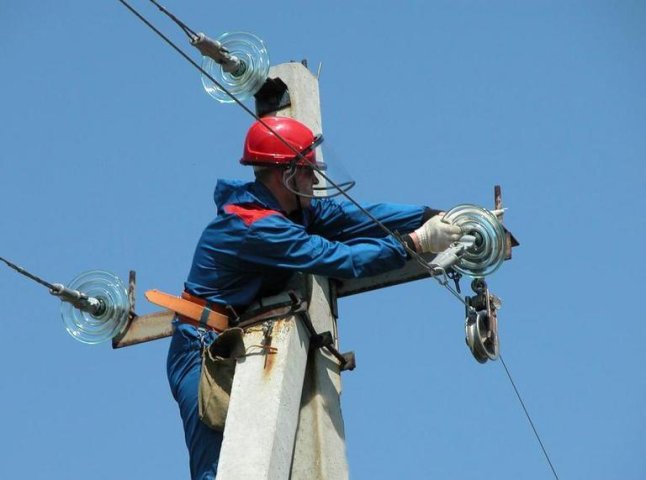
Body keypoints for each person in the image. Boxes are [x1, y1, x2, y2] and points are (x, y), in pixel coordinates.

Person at [166, 116, 462, 479]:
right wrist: (415, 242)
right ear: (284, 174)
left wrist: (426, 215)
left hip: (225, 337)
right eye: (307, 170)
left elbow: (352, 217)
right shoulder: (256, 226)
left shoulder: (286, 210)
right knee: (221, 465)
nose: (315, 179)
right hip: (199, 347)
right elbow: (340, 257)